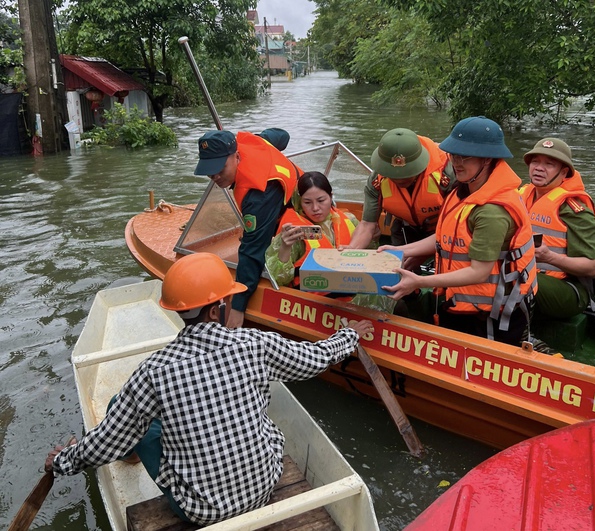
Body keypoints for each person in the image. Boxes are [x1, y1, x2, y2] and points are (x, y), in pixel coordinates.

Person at [45, 253, 373, 526]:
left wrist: (61, 462)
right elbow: (316, 358)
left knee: (128, 414)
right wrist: (350, 335)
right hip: (264, 485)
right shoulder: (255, 344)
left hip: (202, 510)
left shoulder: (154, 373)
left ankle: (134, 454)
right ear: (217, 309)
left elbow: (105, 443)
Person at [380, 116, 537, 346]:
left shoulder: (492, 211)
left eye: (465, 157)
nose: (456, 162)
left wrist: (418, 282)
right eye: (453, 154)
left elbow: (479, 272)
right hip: (460, 300)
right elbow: (444, 237)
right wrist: (400, 249)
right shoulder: (462, 190)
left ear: (488, 160)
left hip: (492, 314)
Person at [194, 129, 303, 329]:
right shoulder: (255, 141)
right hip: (307, 199)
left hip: (301, 226)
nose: (215, 176)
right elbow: (283, 136)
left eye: (220, 168)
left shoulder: (257, 196)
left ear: (237, 156)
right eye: (209, 170)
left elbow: (253, 250)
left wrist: (237, 306)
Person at [265, 171, 395, 312]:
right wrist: (285, 247)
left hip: (351, 292)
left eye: (321, 200)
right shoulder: (294, 232)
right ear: (300, 202)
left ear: (331, 197)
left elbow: (367, 256)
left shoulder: (349, 220)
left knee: (391, 294)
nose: (315, 208)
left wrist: (374, 238)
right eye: (307, 202)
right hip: (314, 304)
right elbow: (279, 279)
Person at [519, 138, 595, 319]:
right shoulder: (520, 196)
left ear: (564, 173)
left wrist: (549, 257)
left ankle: (523, 337)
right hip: (526, 273)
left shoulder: (573, 209)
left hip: (568, 289)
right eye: (535, 161)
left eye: (549, 164)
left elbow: (593, 267)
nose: (539, 168)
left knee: (517, 280)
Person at [346, 128, 454, 260]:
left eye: (407, 174)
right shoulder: (377, 181)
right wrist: (350, 251)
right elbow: (368, 224)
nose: (399, 179)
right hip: (406, 230)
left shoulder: (447, 174)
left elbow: (453, 229)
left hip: (444, 232)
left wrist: (416, 258)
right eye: (393, 175)